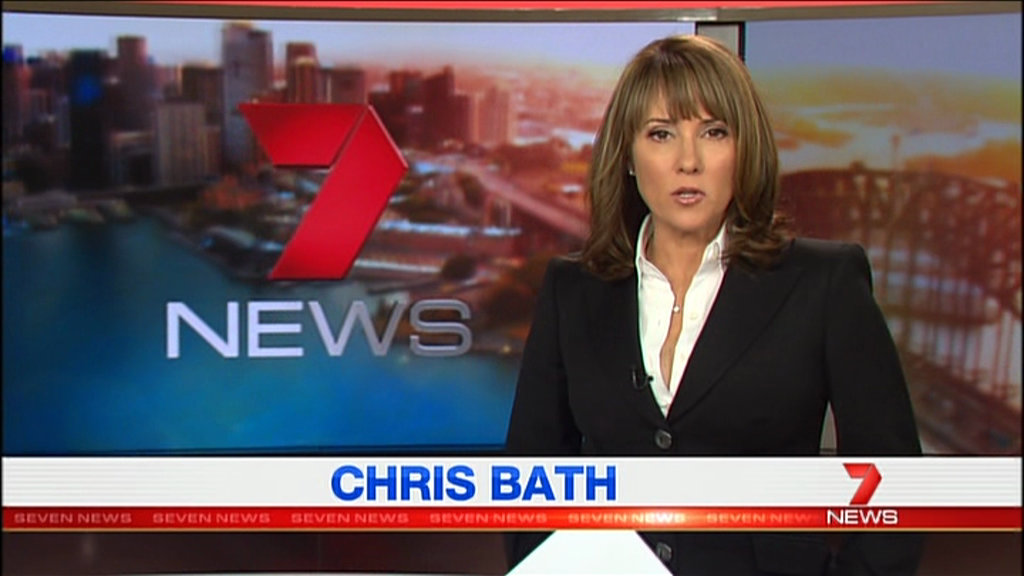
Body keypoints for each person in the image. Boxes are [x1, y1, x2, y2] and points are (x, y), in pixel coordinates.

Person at [504, 34, 923, 575]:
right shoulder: (574, 289)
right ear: (628, 156)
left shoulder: (824, 284)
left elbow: (896, 490)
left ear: (743, 151)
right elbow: (530, 483)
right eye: (661, 134)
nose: (688, 161)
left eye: (714, 132)